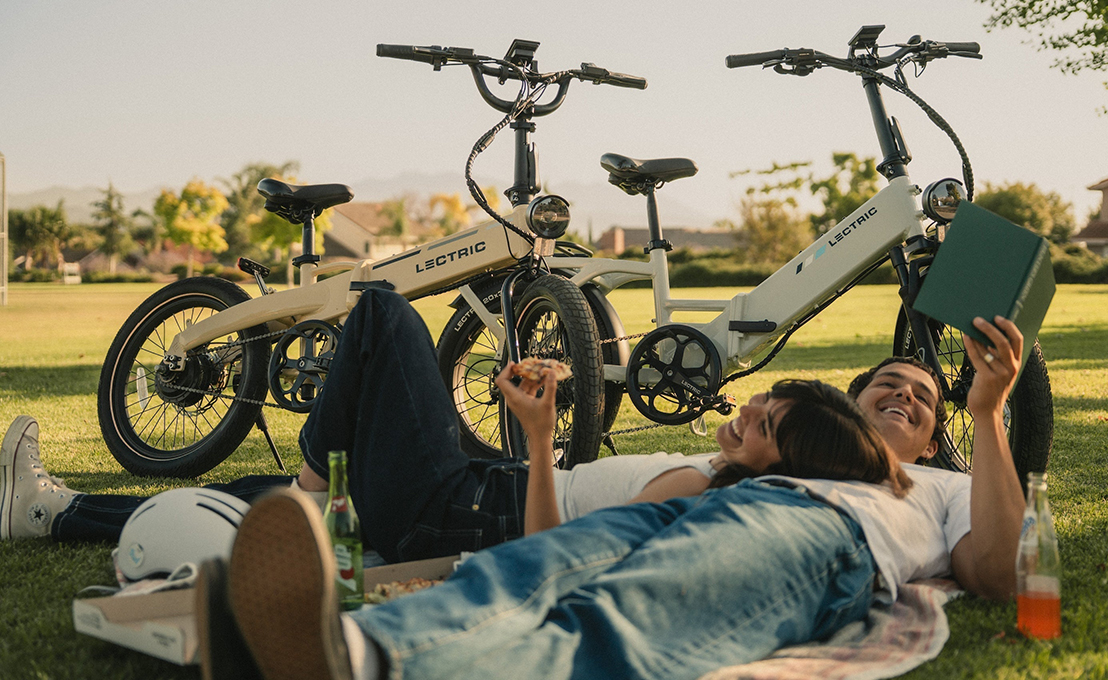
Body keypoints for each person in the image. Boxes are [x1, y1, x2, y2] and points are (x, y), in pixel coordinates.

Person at [202, 314, 1028, 680]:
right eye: (886, 382)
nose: (905, 394)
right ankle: (353, 651)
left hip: (816, 537)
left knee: (616, 621)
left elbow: (999, 573)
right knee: (524, 573)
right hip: (719, 508)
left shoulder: (949, 484)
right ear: (841, 407)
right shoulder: (748, 459)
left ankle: (356, 657)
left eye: (923, 394)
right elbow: (533, 551)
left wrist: (987, 412)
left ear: (938, 427)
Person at [1, 290, 894, 560]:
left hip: (461, 512)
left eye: (764, 425)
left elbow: (554, 548)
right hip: (471, 498)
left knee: (385, 317)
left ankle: (320, 484)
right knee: (249, 501)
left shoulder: (700, 490)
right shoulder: (736, 486)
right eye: (760, 403)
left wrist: (541, 438)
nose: (744, 414)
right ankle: (52, 512)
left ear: (781, 465)